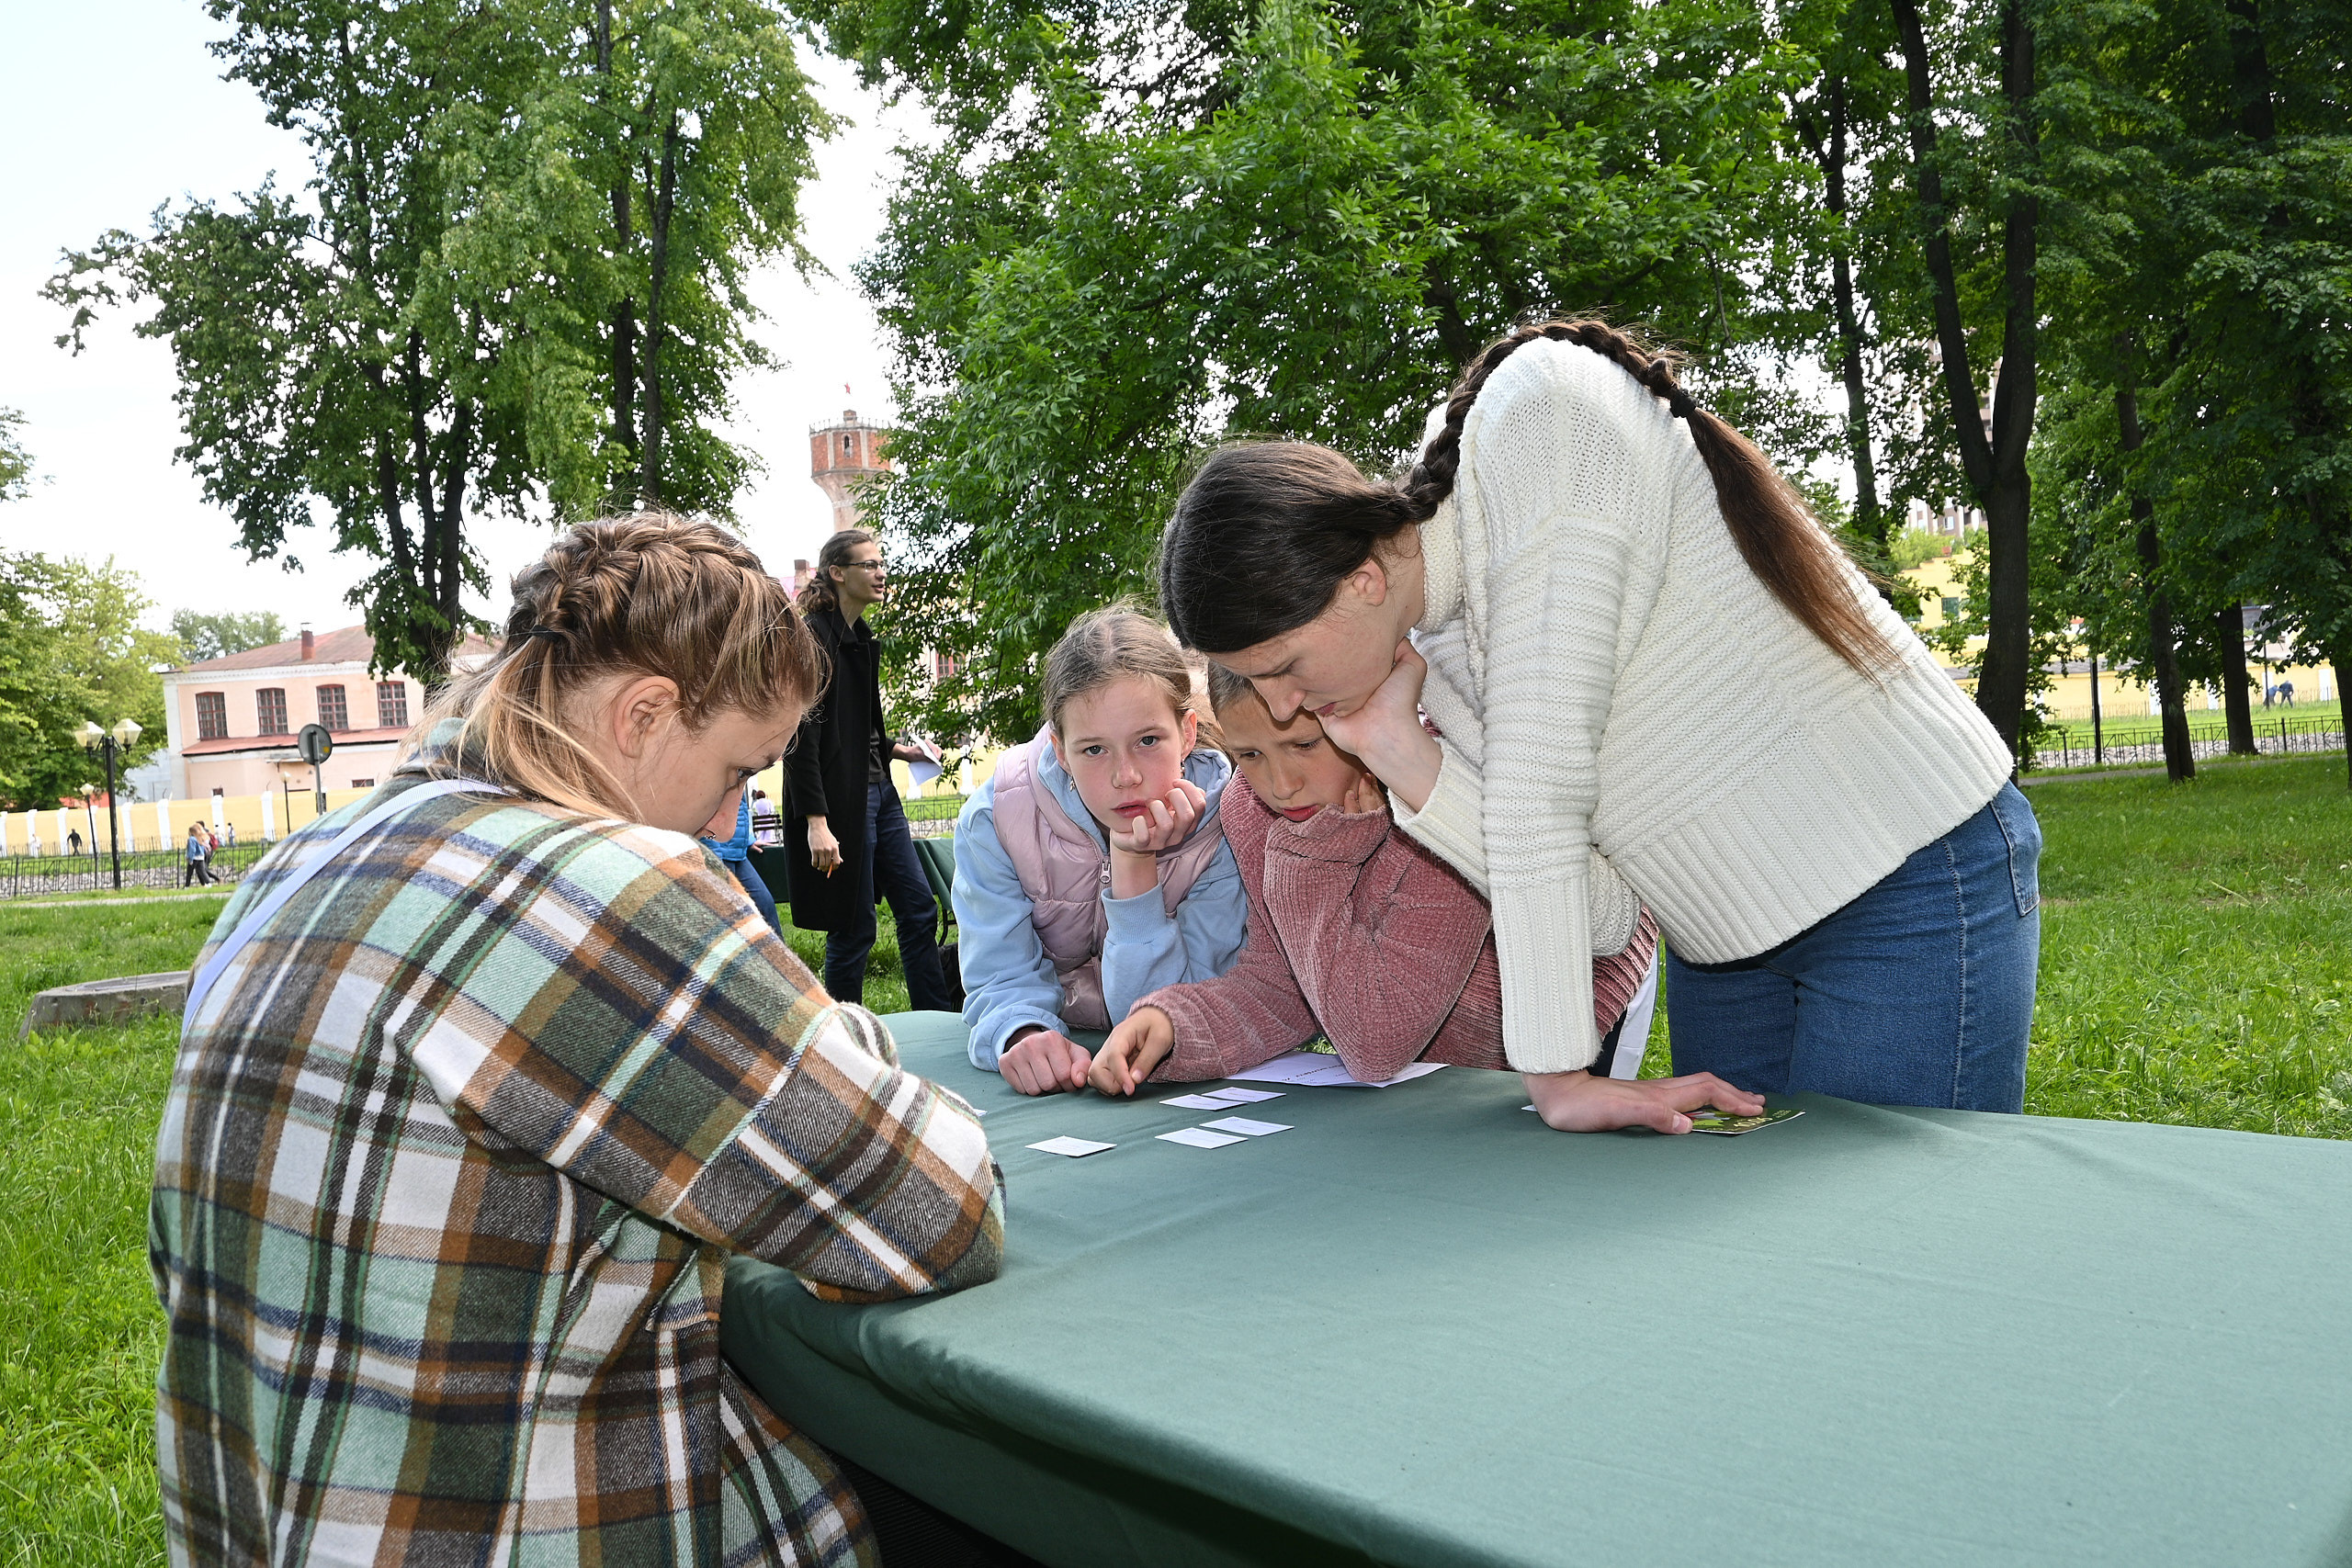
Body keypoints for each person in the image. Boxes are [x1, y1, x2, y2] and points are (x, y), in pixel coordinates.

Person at [152, 514, 1004, 1566]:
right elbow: (942, 1211)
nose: (729, 813)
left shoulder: (298, 861)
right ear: (645, 715)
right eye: (741, 769)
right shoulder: (606, 888)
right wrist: (828, 1036)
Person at [1159, 318, 2039, 1133]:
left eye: (1279, 668)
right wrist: (1397, 746)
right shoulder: (1432, 637)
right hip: (1727, 936)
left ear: (1358, 581)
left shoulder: (1537, 425)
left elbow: (1541, 801)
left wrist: (1558, 1077)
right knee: (1755, 1265)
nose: (1278, 706)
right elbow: (1605, 915)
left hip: (1905, 876)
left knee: (1894, 1242)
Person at [1090, 663, 1659, 1093]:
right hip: (1425, 1056)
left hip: (1571, 1014)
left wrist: (1315, 865)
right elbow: (1286, 984)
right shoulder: (1250, 807)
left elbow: (1376, 1040)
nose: (1281, 784)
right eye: (1249, 755)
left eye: (1304, 744)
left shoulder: (1432, 786)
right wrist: (1171, 1023)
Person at [953, 605, 1248, 1094]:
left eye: (1148, 740)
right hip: (1067, 1049)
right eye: (1094, 750)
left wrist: (1133, 866)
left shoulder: (1230, 823)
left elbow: (1173, 1013)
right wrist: (1024, 1031)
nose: (1124, 775)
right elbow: (997, 973)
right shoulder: (997, 820)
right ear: (1061, 750)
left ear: (1188, 733)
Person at [783, 528, 956, 1011]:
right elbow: (801, 739)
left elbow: (855, 733)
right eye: (869, 565)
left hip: (880, 795)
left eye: (882, 564)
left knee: (919, 909)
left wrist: (900, 752)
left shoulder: (858, 637)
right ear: (838, 573)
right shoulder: (813, 641)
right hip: (840, 803)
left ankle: (936, 1020)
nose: (881, 573)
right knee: (853, 925)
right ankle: (847, 1044)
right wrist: (817, 821)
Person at [702, 787, 784, 935]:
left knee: (765, 904)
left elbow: (738, 810)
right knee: (729, 920)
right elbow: (704, 815)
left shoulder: (738, 771)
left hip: (738, 853)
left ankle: (780, 957)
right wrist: (714, 857)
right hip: (718, 855)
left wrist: (748, 840)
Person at [182, 822, 210, 886]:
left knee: (189, 873)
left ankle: (187, 886)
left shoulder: (191, 839)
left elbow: (192, 850)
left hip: (194, 857)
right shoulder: (200, 838)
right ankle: (208, 883)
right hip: (201, 857)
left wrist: (190, 859)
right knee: (202, 871)